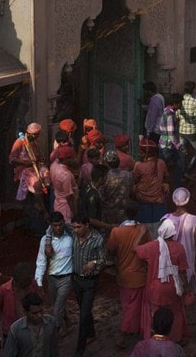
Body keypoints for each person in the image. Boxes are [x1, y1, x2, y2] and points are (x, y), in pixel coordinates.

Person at [134, 218, 190, 344]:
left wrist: (143, 233)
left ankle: (156, 338)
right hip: (173, 288)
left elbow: (135, 248)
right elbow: (182, 272)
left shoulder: (152, 247)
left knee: (155, 313)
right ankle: (175, 339)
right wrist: (186, 288)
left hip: (155, 288)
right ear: (173, 233)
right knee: (175, 313)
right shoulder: (179, 248)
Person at [106, 201, 152, 348]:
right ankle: (126, 332)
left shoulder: (116, 232)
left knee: (127, 306)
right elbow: (147, 250)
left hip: (123, 275)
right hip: (139, 276)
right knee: (135, 307)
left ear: (125, 214)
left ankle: (126, 333)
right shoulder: (143, 231)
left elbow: (110, 249)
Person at [70, 212, 107, 356]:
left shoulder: (97, 239)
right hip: (76, 280)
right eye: (74, 227)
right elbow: (52, 226)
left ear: (87, 225)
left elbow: (103, 259)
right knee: (83, 309)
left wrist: (94, 263)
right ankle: (91, 332)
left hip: (90, 282)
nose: (76, 230)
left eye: (79, 227)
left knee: (83, 314)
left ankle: (80, 349)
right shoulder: (72, 234)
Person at [0, 262, 42, 345]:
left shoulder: (33, 284)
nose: (27, 288)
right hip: (10, 333)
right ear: (16, 282)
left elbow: (39, 304)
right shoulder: (3, 290)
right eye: (24, 286)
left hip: (31, 330)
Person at [164, 187, 196, 291]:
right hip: (188, 260)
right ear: (187, 201)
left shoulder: (166, 218)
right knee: (189, 290)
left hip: (171, 261)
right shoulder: (194, 220)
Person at [4, 292, 59, 357]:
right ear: (25, 312)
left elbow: (54, 349)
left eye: (41, 311)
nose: (39, 315)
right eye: (34, 313)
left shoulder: (51, 323)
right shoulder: (15, 329)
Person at [102, 150, 134, 226]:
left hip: (108, 213)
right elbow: (132, 191)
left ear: (106, 163)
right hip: (124, 211)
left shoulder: (105, 177)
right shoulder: (128, 175)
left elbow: (101, 196)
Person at [178, 81, 196, 177]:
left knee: (183, 151)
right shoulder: (194, 102)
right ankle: (188, 171)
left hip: (181, 130)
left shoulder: (180, 101)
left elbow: (177, 115)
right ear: (193, 91)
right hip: (192, 132)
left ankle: (182, 171)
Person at [50, 145, 78, 221]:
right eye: (72, 157)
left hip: (58, 204)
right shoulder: (66, 175)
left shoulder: (53, 166)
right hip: (66, 208)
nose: (74, 159)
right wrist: (74, 212)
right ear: (66, 159)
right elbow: (69, 197)